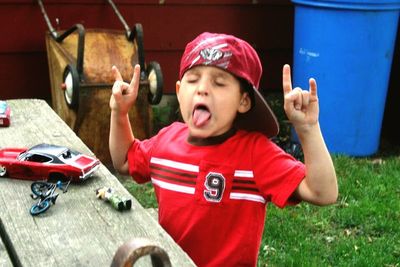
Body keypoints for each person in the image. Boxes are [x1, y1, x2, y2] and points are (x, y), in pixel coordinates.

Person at [109, 32, 338, 266]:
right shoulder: (165, 141)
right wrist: (119, 112)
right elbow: (124, 161)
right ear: (178, 92)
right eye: (192, 79)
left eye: (219, 83)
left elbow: (323, 193)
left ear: (243, 101)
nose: (202, 89)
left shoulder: (255, 153)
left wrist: (308, 128)